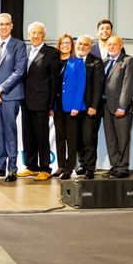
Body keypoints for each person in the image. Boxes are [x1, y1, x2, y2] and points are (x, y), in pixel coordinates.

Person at [0, 13, 26, 182]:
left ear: (11, 26)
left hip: (11, 95)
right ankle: (0, 166)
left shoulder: (19, 45)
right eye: (1, 24)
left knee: (10, 132)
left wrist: (0, 90)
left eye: (7, 24)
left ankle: (12, 168)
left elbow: (19, 72)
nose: (4, 27)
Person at [20, 22, 59, 181]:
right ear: (28, 35)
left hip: (42, 102)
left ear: (43, 35)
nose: (35, 36)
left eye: (39, 33)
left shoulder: (52, 53)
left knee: (42, 136)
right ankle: (31, 166)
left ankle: (45, 168)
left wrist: (51, 104)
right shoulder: (25, 52)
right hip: (26, 101)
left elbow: (54, 80)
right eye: (33, 33)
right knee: (28, 136)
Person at [102, 36, 133, 178]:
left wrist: (122, 106)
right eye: (109, 44)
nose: (111, 47)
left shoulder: (128, 61)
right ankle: (115, 166)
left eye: (114, 44)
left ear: (121, 45)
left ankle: (123, 168)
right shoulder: (105, 62)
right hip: (106, 107)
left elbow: (128, 85)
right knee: (110, 139)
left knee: (122, 139)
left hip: (121, 108)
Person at [54, 34, 85, 180]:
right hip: (57, 105)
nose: (65, 45)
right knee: (59, 137)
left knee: (71, 139)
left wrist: (76, 106)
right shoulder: (55, 62)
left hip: (72, 106)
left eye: (68, 43)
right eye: (62, 43)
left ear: (71, 45)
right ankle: (61, 165)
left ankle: (69, 167)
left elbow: (81, 85)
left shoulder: (77, 62)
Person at [73, 35, 104, 180]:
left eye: (85, 44)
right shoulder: (72, 60)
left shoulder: (96, 62)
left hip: (89, 108)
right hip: (74, 107)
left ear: (91, 47)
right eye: (79, 44)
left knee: (88, 139)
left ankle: (90, 168)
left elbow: (98, 86)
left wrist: (93, 106)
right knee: (78, 138)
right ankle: (82, 164)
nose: (81, 46)